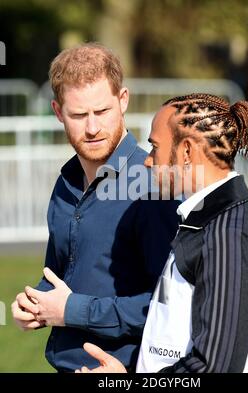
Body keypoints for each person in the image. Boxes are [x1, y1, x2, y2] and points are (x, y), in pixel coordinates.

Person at [75, 93, 248, 373]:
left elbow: (211, 368)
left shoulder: (229, 237)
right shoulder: (205, 221)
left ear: (186, 152)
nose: (148, 162)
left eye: (155, 147)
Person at [11, 43, 179, 372]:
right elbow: (62, 272)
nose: (91, 128)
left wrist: (72, 310)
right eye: (78, 115)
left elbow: (169, 304)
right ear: (58, 112)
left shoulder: (153, 185)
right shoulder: (66, 183)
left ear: (123, 100)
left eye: (101, 112)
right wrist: (37, 301)